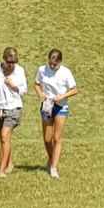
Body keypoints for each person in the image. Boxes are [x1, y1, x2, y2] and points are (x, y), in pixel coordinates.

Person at [34, 49, 78, 178]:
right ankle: (51, 157)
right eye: (51, 63)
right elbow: (36, 84)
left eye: (55, 64)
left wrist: (62, 96)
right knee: (47, 139)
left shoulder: (65, 72)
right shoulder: (42, 69)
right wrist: (40, 93)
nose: (52, 66)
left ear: (60, 62)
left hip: (60, 106)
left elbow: (75, 89)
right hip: (47, 105)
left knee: (56, 138)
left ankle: (54, 167)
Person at [0, 46, 27, 178]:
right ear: (3, 60)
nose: (11, 65)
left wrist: (13, 87)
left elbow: (24, 90)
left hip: (13, 107)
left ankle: (1, 170)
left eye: (13, 62)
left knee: (4, 136)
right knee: (4, 139)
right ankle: (9, 164)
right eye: (8, 62)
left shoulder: (19, 71)